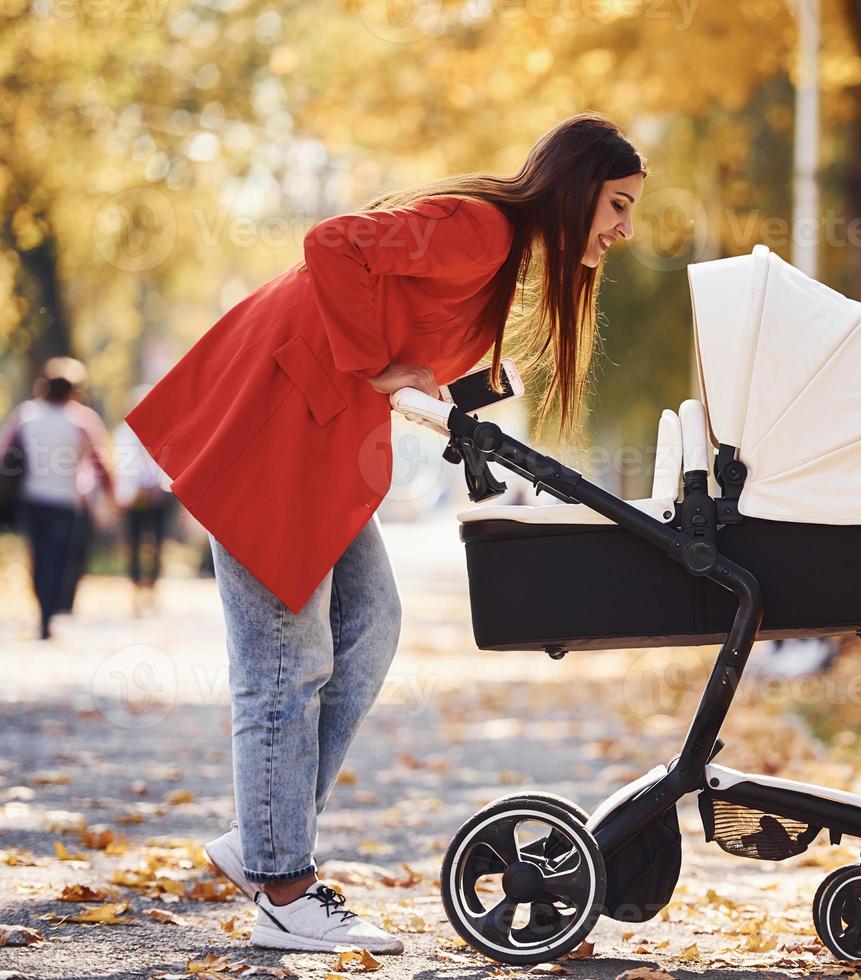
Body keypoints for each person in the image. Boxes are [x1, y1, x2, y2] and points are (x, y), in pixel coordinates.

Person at [124, 113, 645, 954]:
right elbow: (334, 243)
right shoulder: (482, 229)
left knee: (368, 628)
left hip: (317, 446)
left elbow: (413, 339)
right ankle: (284, 887)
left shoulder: (501, 264)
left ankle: (261, 835)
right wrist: (372, 364)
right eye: (617, 204)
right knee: (284, 665)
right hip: (275, 433)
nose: (624, 229)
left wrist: (441, 394)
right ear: (577, 190)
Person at [0, 357, 117, 640]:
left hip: (32, 499)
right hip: (65, 501)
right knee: (57, 560)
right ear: (73, 390)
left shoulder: (26, 415)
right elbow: (100, 463)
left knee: (37, 557)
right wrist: (112, 496)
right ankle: (48, 614)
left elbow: (5, 454)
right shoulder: (81, 420)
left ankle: (43, 610)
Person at [113, 383, 175, 615]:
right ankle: (136, 589)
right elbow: (123, 464)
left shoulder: (164, 428)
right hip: (134, 496)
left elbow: (168, 462)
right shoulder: (124, 432)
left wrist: (161, 486)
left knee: (158, 543)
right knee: (134, 543)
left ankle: (153, 588)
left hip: (159, 494)